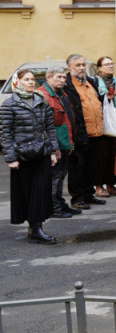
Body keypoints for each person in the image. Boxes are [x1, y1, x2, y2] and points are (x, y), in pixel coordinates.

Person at [1, 69, 60, 244]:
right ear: (18, 82)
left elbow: (49, 128)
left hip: (41, 153)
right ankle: (34, 228)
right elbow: (4, 133)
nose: (31, 82)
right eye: (26, 79)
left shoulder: (40, 101)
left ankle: (36, 228)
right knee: (26, 193)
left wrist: (53, 151)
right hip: (22, 155)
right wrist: (11, 158)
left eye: (32, 79)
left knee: (40, 192)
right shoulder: (9, 104)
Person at [65, 54, 105, 210]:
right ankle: (77, 198)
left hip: (96, 132)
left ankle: (88, 194)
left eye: (83, 64)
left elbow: (96, 103)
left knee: (91, 166)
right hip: (79, 133)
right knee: (77, 168)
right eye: (78, 65)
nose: (82, 68)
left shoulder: (90, 82)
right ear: (69, 67)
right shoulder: (67, 85)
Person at [37, 67, 77, 218]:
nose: (62, 80)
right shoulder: (43, 95)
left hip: (64, 142)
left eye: (64, 77)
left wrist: (70, 143)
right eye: (58, 77)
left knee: (60, 175)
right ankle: (53, 207)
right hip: (54, 146)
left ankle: (59, 203)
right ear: (48, 77)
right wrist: (53, 149)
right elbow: (44, 126)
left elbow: (67, 120)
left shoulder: (61, 94)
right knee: (54, 177)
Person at [94, 55, 116, 198]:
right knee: (100, 156)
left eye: (111, 63)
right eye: (107, 64)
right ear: (99, 68)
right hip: (101, 124)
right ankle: (98, 185)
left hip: (114, 124)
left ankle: (110, 184)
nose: (111, 66)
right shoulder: (95, 82)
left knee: (112, 156)